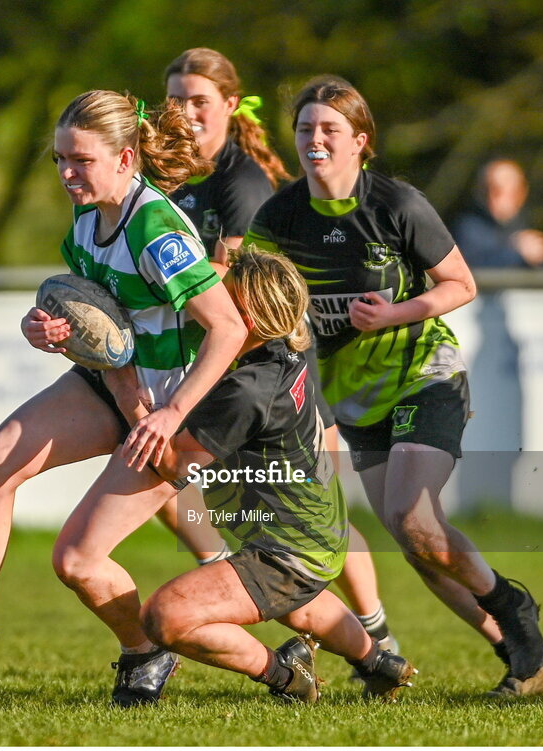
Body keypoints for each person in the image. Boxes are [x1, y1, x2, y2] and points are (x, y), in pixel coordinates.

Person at [0, 90, 248, 707]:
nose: (66, 173)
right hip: (121, 388)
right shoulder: (85, 219)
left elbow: (230, 328)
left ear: (126, 158)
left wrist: (169, 412)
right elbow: (99, 330)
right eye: (57, 160)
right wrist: (47, 330)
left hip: (175, 406)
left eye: (80, 160)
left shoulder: (155, 229)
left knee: (79, 561)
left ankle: (312, 648)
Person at [244, 76, 543, 698]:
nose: (316, 140)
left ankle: (513, 609)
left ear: (361, 141)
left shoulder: (396, 204)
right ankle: (519, 653)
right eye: (306, 129)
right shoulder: (278, 215)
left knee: (412, 521)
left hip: (422, 375)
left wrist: (392, 315)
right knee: (418, 545)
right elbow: (250, 299)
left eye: (330, 129)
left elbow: (459, 284)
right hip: (353, 398)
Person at [160, 48, 398, 658]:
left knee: (314, 507)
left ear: (231, 105)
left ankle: (371, 630)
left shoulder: (240, 182)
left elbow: (233, 279)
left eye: (199, 101)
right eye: (175, 101)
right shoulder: (170, 175)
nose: (186, 114)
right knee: (179, 484)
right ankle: (244, 590)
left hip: (272, 359)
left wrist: (155, 281)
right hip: (217, 359)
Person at [103, 246, 416, 703]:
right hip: (313, 536)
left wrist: (123, 388)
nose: (210, 297)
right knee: (298, 602)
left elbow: (171, 465)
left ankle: (285, 676)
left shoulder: (247, 390)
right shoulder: (273, 345)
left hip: (287, 550)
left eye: (222, 293)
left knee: (164, 616)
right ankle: (378, 663)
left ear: (245, 315)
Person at [452, 159, 543, 268]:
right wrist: (516, 252)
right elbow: (470, 268)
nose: (503, 197)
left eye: (512, 190)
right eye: (496, 189)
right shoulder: (468, 227)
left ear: (523, 192)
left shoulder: (530, 223)